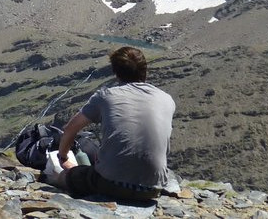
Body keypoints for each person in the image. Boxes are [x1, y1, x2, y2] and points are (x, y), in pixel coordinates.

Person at [45, 46, 175, 201]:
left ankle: (55, 179)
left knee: (64, 175)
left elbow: (71, 129)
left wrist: (63, 157)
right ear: (145, 71)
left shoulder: (106, 96)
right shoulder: (167, 99)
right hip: (153, 189)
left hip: (110, 184)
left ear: (116, 72)